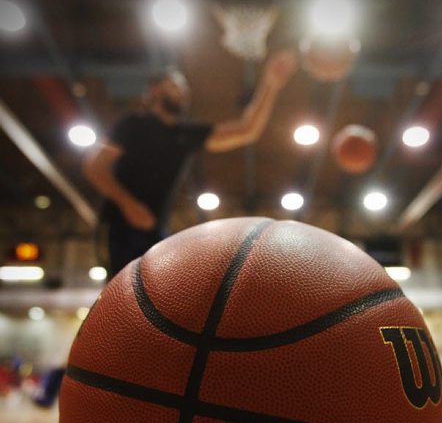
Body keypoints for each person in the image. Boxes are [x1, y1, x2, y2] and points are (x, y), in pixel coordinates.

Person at [83, 49, 298, 278]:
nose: (182, 90)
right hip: (119, 225)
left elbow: (247, 131)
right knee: (121, 293)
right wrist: (128, 204)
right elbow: (95, 168)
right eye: (174, 84)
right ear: (155, 89)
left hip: (155, 228)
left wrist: (270, 85)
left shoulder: (184, 134)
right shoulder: (132, 125)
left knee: (157, 295)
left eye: (184, 86)